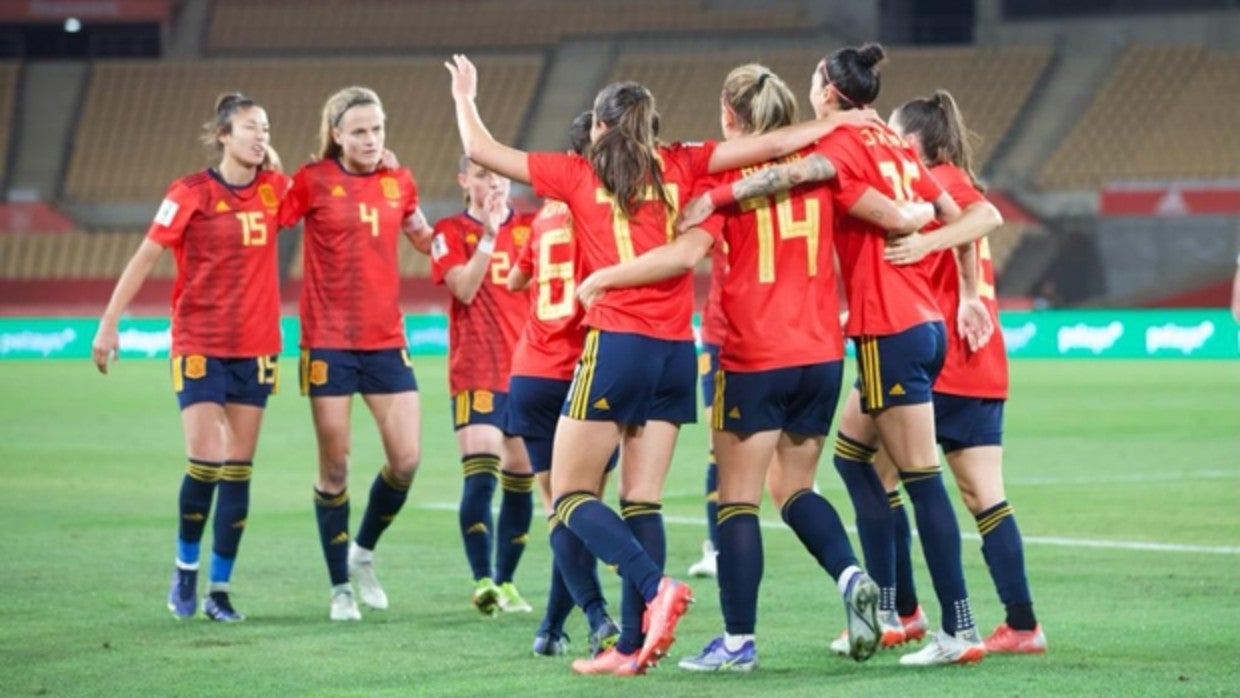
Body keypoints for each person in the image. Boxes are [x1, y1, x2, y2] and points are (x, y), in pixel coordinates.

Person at [445, 52, 878, 675]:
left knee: (568, 493)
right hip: (679, 353)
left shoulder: (575, 173)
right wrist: (847, 124)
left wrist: (465, 96)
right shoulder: (684, 162)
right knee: (641, 500)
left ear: (599, 126)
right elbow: (777, 142)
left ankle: (655, 590)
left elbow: (483, 150)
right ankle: (631, 648)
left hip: (619, 345)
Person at [576, 64, 931, 671]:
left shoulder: (719, 179)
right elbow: (888, 211)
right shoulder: (821, 169)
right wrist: (922, 220)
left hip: (753, 352)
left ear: (729, 113)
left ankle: (738, 642)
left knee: (738, 501)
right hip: (821, 353)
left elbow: (687, 248)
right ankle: (850, 578)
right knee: (795, 487)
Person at [679, 44, 1000, 667]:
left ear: (826, 88)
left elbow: (791, 174)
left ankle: (945, 627)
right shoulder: (894, 144)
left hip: (813, 340)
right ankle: (867, 588)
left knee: (747, 499)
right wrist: (928, 236)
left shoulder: (828, 154)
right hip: (835, 349)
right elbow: (940, 210)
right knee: (832, 468)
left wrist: (711, 200)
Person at [92, 93, 288, 623]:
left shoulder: (276, 191)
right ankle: (184, 568)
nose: (261, 135)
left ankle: (219, 590)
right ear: (224, 134)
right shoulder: (190, 193)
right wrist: (110, 322)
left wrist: (370, 161)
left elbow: (325, 196)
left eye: (266, 127)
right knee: (207, 458)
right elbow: (146, 255)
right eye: (250, 126)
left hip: (257, 349)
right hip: (200, 343)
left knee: (239, 470)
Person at [861, 89, 1042, 654]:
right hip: (982, 360)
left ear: (912, 143)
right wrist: (965, 291)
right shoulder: (959, 184)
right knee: (983, 494)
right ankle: (1021, 624)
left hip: (940, 362)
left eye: (894, 133)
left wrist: (928, 249)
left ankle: (902, 610)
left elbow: (979, 221)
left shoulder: (940, 184)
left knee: (877, 475)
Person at [278, 86, 433, 621]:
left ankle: (362, 551)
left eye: (378, 129)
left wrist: (471, 232)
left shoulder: (400, 181)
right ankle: (338, 587)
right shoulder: (313, 180)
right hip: (328, 341)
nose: (371, 139)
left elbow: (422, 236)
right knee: (336, 468)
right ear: (337, 134)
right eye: (360, 131)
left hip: (387, 339)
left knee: (407, 460)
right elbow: (269, 218)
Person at [506, 111, 620, 656]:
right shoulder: (601, 214)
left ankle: (550, 630)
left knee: (561, 508)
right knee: (581, 507)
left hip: (530, 371)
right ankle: (598, 616)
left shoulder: (544, 219)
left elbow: (515, 278)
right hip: (584, 372)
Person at [430, 157, 536, 616]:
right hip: (476, 368)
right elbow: (464, 289)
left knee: (521, 478)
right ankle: (482, 581)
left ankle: (508, 581)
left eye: (499, 174)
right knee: (482, 470)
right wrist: (490, 236)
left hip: (528, 369)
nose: (493, 182)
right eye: (481, 174)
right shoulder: (450, 231)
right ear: (464, 181)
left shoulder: (534, 228)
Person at [687, 242, 726, 580]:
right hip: (721, 335)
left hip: (745, 331)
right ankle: (717, 547)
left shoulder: (720, 200)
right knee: (720, 446)